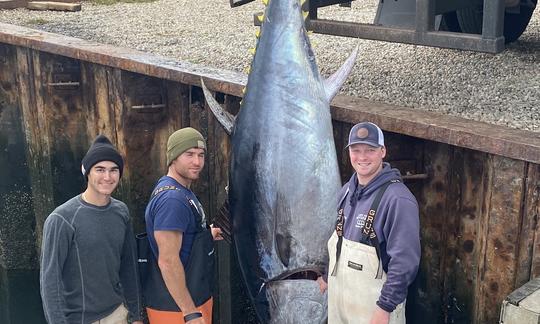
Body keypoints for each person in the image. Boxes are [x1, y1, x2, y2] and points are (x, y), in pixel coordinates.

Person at [317, 122, 421, 324]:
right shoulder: (346, 191)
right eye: (356, 150)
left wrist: (384, 308)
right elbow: (338, 239)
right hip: (341, 306)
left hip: (376, 311)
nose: (362, 157)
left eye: (370, 150)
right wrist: (326, 276)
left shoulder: (398, 200)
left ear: (383, 151)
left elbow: (405, 261)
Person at [40, 135, 143, 324]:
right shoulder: (61, 219)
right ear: (87, 172)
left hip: (118, 314)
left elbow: (129, 268)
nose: (107, 177)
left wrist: (136, 316)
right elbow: (49, 282)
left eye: (114, 170)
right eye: (100, 169)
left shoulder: (121, 211)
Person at [144, 127, 222, 324]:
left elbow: (182, 241)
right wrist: (190, 313)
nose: (197, 162)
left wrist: (207, 235)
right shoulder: (172, 200)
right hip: (177, 310)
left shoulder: (181, 191)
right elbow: (168, 261)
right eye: (189, 154)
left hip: (191, 299)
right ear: (173, 157)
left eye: (201, 155)